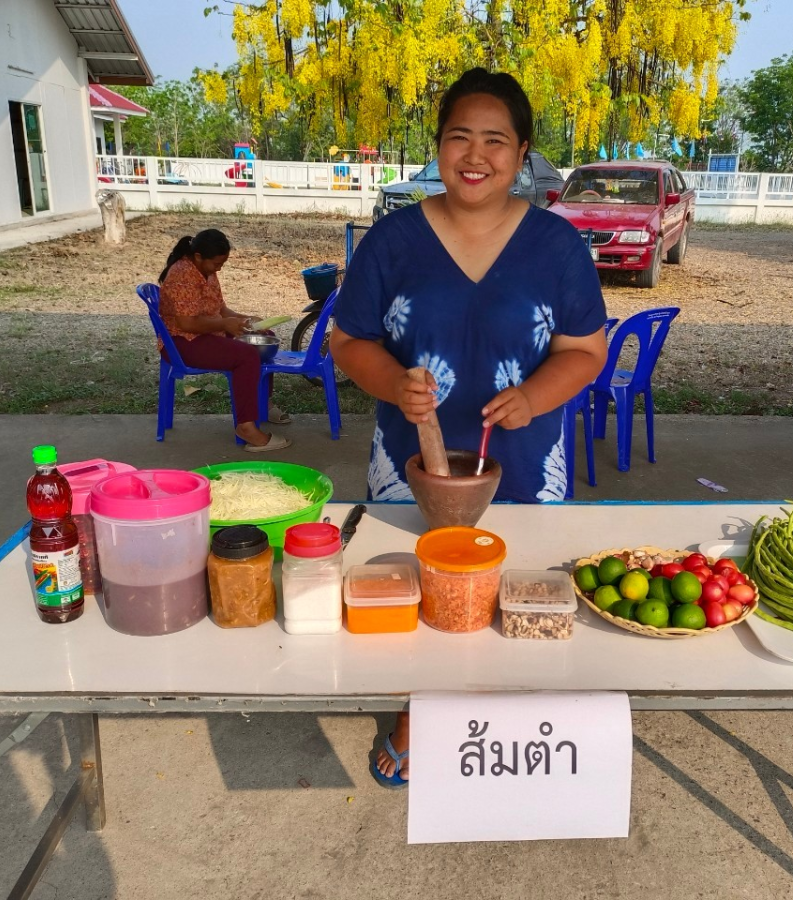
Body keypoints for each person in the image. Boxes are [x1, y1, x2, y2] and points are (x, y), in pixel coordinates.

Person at [330, 68, 609, 786]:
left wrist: (535, 396)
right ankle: (417, 711)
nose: (475, 155)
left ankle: (525, 726)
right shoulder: (392, 241)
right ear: (438, 147)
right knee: (418, 590)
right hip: (410, 463)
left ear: (522, 154)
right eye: (460, 137)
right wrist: (394, 383)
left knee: (523, 591)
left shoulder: (556, 245)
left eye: (495, 140)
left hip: (523, 456)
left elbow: (584, 350)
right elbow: (348, 340)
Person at [158, 229, 290, 451]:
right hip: (180, 342)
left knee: (264, 338)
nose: (219, 268)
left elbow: (219, 309)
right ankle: (246, 427)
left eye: (222, 263)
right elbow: (187, 324)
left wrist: (243, 319)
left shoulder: (206, 270)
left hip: (204, 334)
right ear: (198, 256)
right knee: (246, 355)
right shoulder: (182, 275)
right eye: (217, 263)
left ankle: (262, 404)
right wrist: (224, 324)